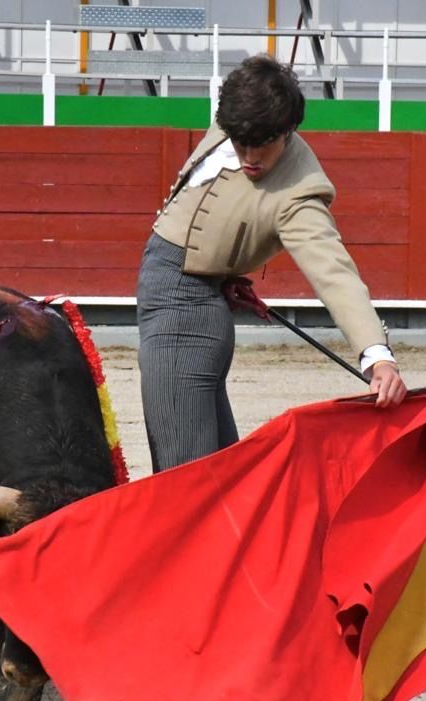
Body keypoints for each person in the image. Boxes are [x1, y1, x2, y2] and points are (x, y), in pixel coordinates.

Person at [137, 54, 407, 473]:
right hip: (196, 300)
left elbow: (334, 271)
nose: (248, 157)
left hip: (183, 313)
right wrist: (226, 268)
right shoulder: (240, 116)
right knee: (215, 470)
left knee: (183, 477)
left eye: (260, 147)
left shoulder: (299, 192)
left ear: (288, 130)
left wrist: (376, 354)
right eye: (239, 143)